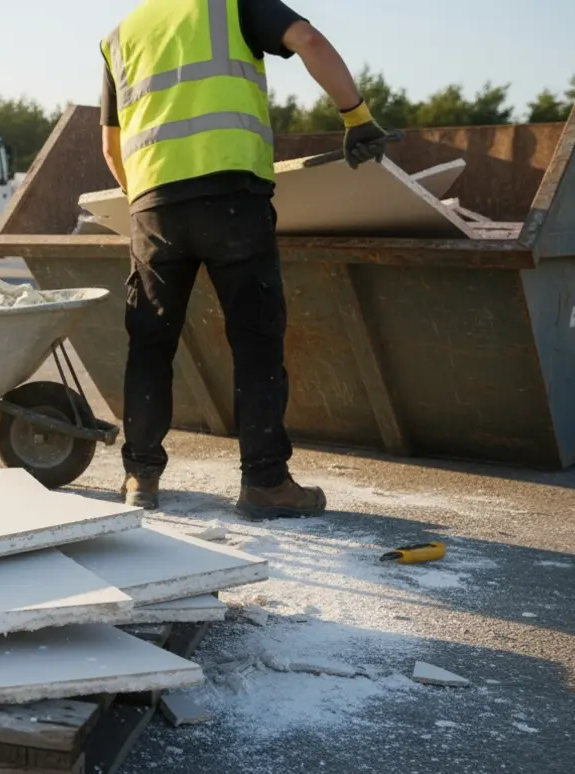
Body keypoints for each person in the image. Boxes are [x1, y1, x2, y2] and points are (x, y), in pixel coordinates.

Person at [99, 0, 391, 519]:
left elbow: (111, 144)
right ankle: (265, 484)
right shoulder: (230, 3)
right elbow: (310, 42)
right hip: (233, 197)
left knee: (150, 346)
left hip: (153, 209)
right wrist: (358, 116)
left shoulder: (122, 34)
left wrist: (144, 200)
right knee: (255, 342)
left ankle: (139, 478)